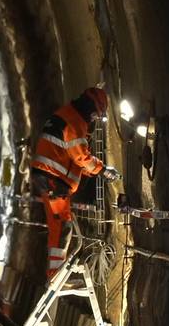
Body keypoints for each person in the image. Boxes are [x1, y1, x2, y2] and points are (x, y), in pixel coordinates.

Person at [30, 87, 121, 278]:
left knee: (58, 226)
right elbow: (80, 157)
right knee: (63, 227)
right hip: (53, 179)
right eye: (96, 115)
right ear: (91, 108)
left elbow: (70, 158)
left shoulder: (68, 114)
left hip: (48, 177)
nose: (95, 119)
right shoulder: (75, 122)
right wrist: (103, 170)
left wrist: (89, 171)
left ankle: (54, 273)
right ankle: (55, 275)